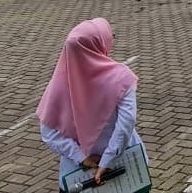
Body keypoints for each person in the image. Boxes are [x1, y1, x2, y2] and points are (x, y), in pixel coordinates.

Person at [38, 18, 143, 191]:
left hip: (80, 174)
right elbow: (126, 123)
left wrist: (80, 157)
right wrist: (108, 160)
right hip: (125, 166)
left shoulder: (59, 84)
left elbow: (48, 132)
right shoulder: (121, 77)